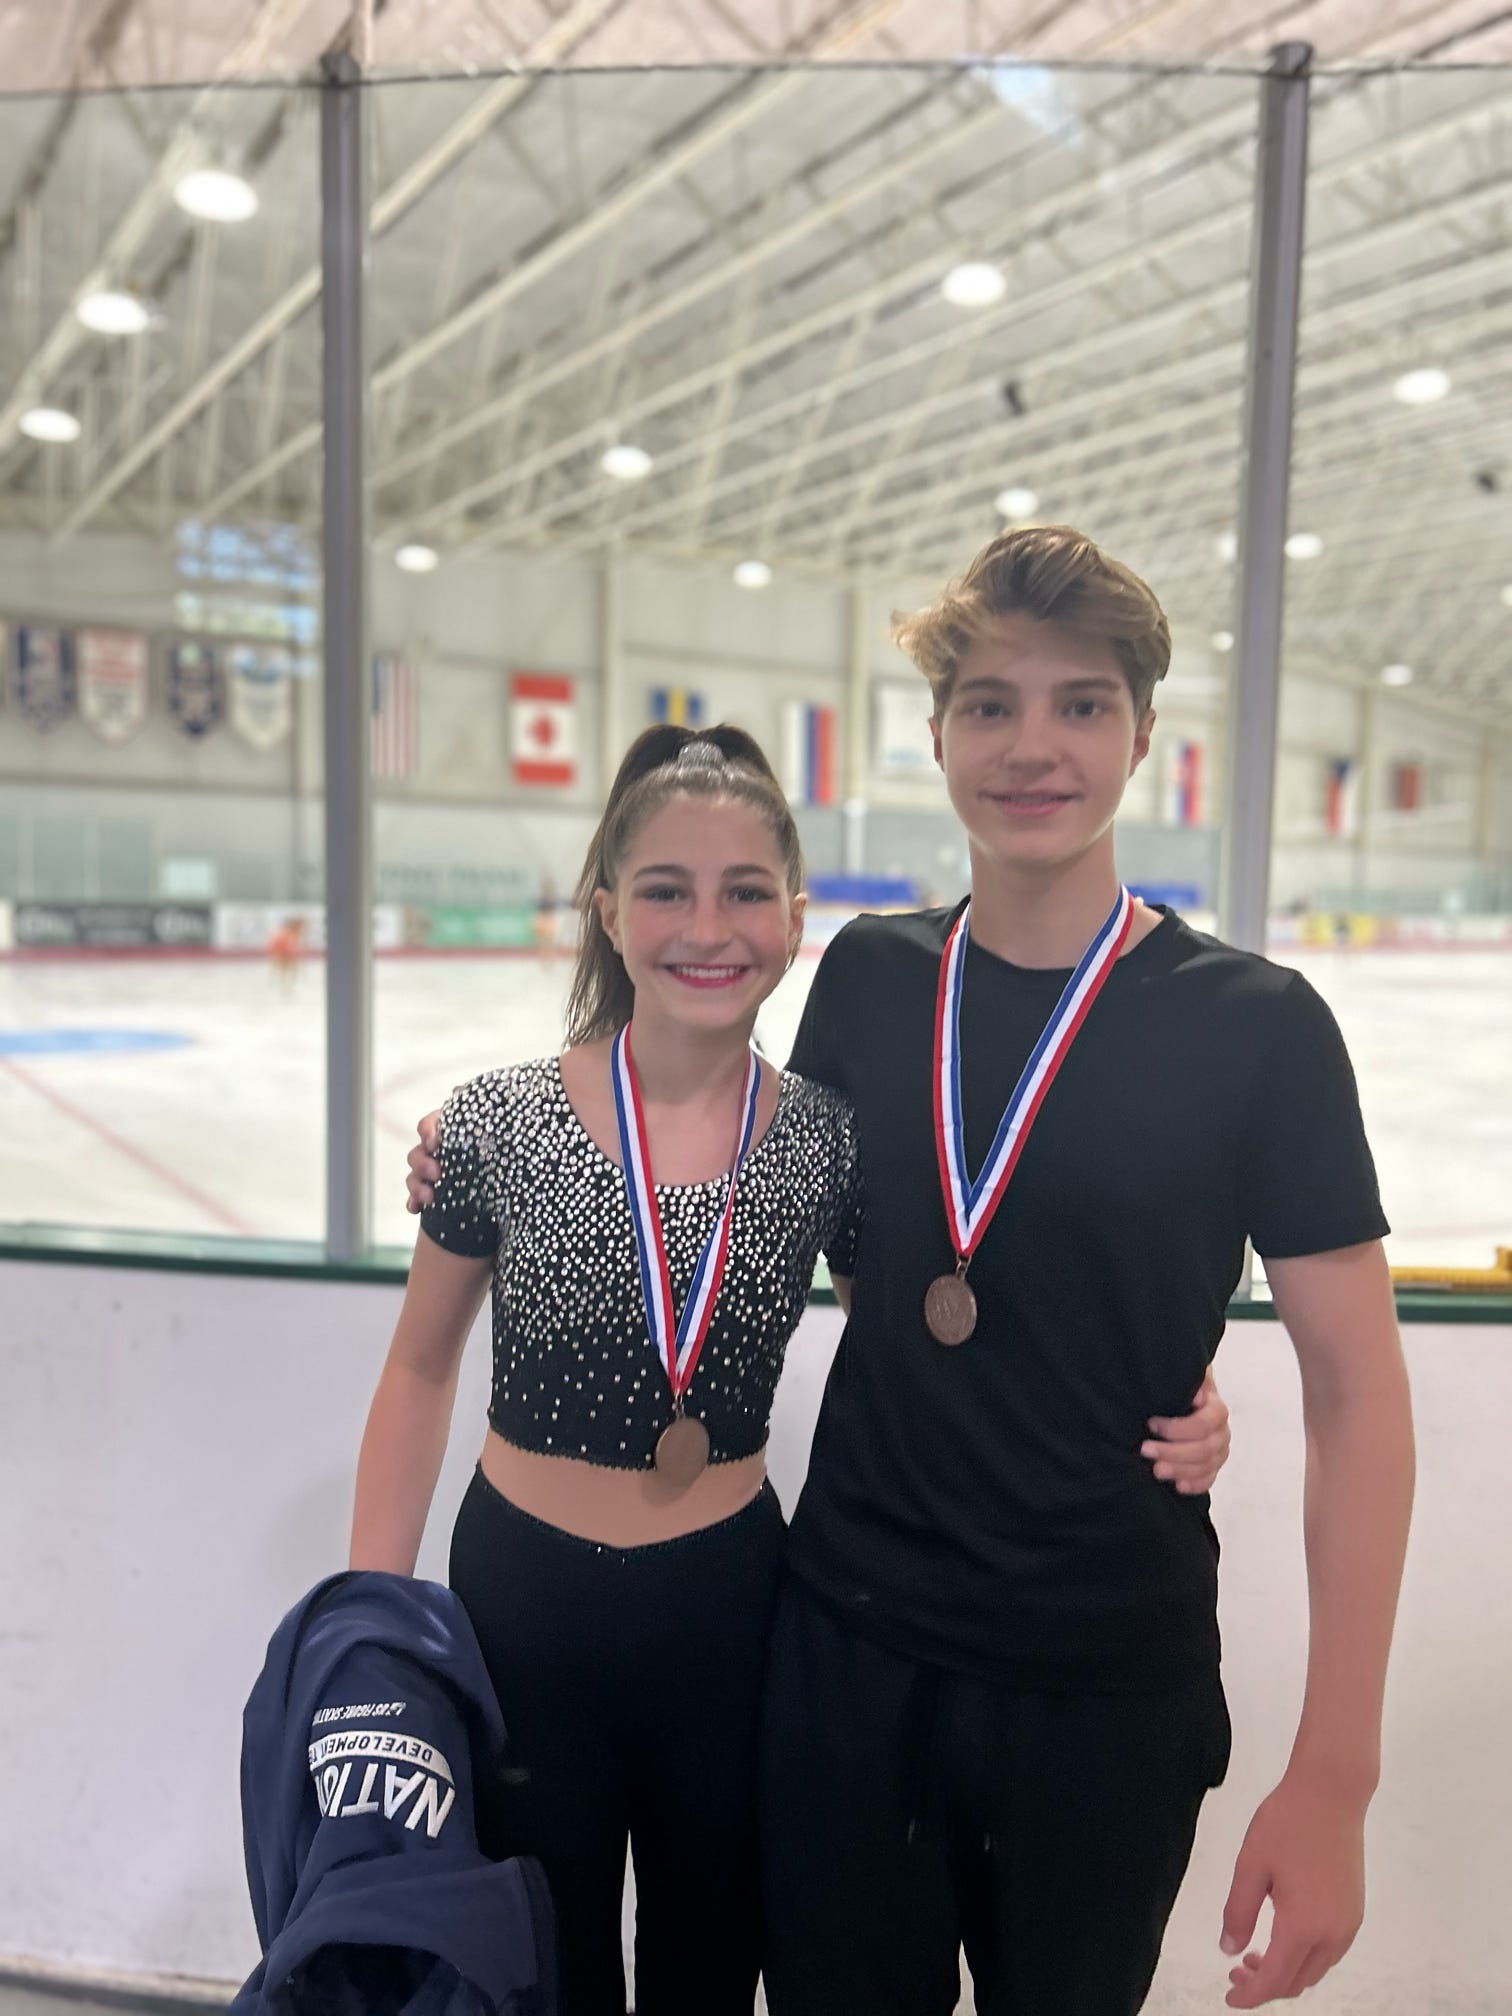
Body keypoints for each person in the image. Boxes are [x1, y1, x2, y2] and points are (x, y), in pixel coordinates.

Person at [386, 718, 1232, 2016]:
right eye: (664, 890)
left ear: (794, 921)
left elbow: (950, 1315)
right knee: (541, 1966)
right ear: (607, 910)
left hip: (731, 1613)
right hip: (522, 1606)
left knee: (711, 1966)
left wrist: (1180, 1393)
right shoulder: (497, 1121)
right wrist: (370, 1617)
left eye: (745, 893)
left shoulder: (833, 1142)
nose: (705, 928)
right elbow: (415, 1373)